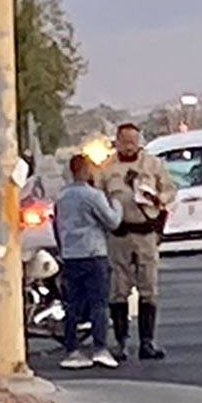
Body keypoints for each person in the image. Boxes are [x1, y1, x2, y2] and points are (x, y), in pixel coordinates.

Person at [99, 123, 178, 360]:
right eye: (125, 141)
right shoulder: (106, 169)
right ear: (117, 142)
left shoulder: (152, 165)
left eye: (133, 141)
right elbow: (99, 199)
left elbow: (171, 191)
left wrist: (158, 198)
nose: (129, 146)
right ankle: (121, 342)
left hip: (146, 233)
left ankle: (147, 342)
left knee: (149, 288)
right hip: (119, 235)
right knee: (118, 290)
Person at [53, 154, 124, 370]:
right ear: (86, 171)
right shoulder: (93, 195)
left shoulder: (62, 197)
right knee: (98, 304)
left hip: (71, 255)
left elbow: (56, 225)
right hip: (93, 254)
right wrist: (117, 204)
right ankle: (100, 348)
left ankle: (72, 350)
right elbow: (112, 221)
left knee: (73, 305)